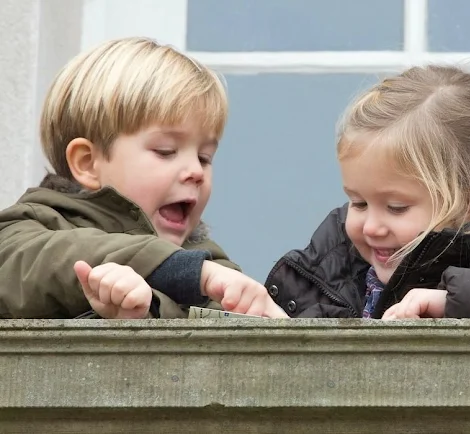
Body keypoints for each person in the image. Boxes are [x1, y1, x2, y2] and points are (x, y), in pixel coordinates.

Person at [265, 65, 470, 319]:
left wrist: (453, 301)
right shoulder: (333, 264)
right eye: (359, 202)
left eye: (396, 207)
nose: (370, 227)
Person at [0, 37, 286, 319]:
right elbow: (32, 266)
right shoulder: (26, 231)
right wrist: (180, 270)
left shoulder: (210, 263)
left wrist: (271, 325)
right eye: (166, 151)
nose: (196, 172)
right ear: (88, 163)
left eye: (204, 157)